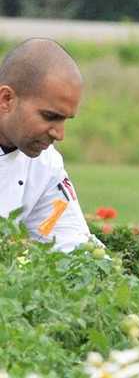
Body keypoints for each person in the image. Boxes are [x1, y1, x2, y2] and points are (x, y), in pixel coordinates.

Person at [0, 38, 95, 251]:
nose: (59, 134)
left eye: (64, 120)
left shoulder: (46, 165)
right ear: (6, 99)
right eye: (50, 116)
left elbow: (70, 242)